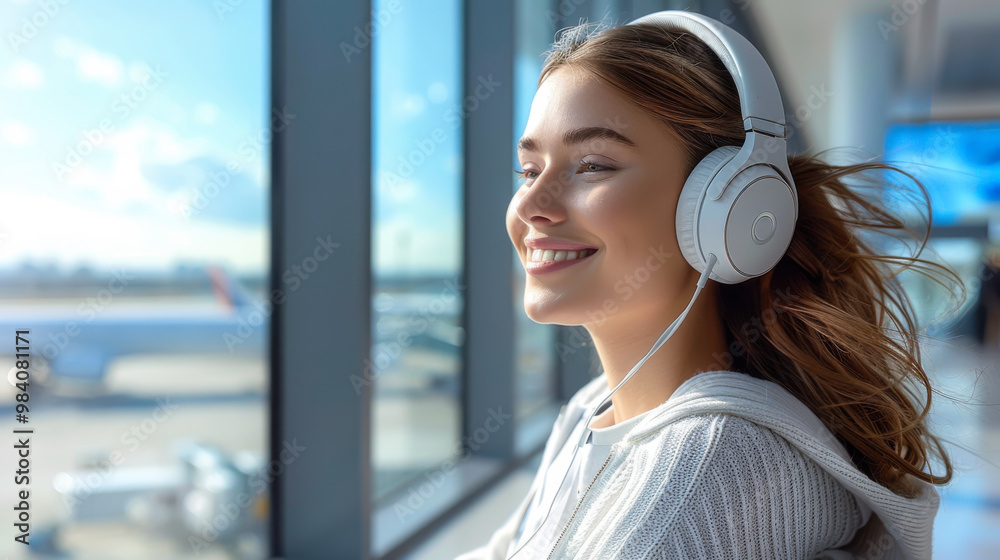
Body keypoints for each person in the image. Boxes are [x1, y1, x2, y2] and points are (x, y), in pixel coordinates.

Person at [456, 11, 963, 560]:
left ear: (728, 207)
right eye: (529, 171)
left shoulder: (707, 467)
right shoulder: (593, 411)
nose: (530, 205)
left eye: (594, 165)